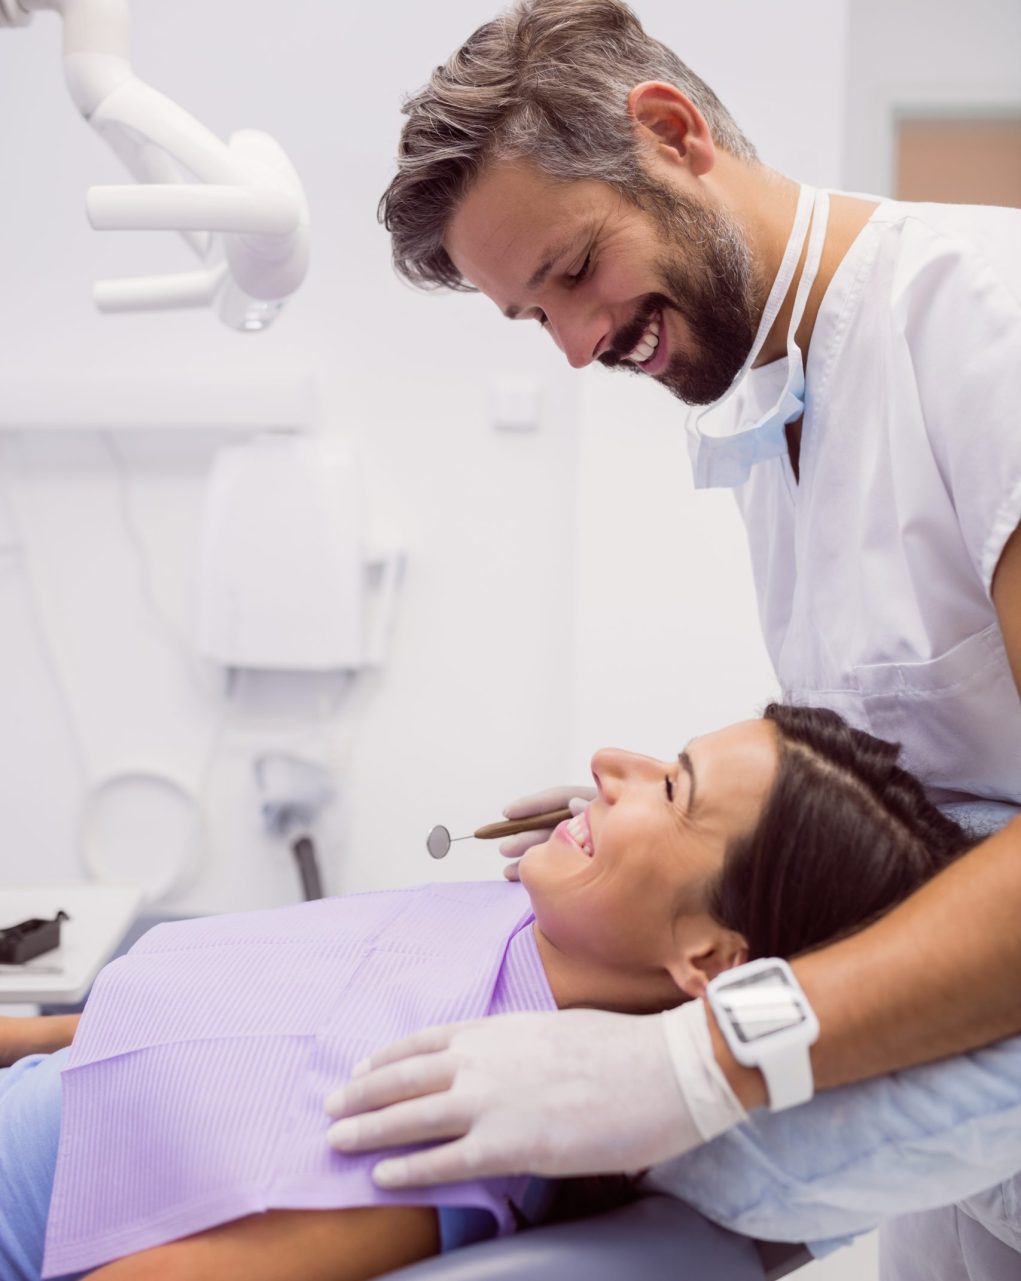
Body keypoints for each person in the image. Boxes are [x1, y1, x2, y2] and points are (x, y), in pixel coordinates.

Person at [327, 1, 1021, 1273]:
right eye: (535, 318)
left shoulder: (984, 322)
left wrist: (703, 1058)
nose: (583, 344)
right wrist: (664, 821)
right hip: (947, 1118)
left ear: (670, 131)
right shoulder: (773, 404)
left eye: (575, 271)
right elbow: (907, 776)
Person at [0, 707, 996, 1281]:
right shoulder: (500, 931)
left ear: (708, 957)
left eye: (672, 789)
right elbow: (239, 1032)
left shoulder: (447, 1124)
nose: (608, 767)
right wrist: (33, 1033)